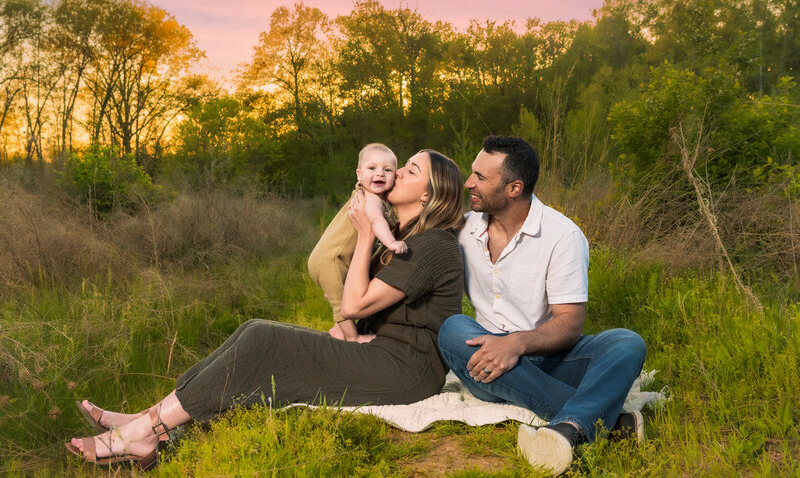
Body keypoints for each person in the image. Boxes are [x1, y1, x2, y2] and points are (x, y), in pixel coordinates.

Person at [66, 149, 466, 470]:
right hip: (382, 353)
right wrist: (355, 332)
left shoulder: (434, 245)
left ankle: (147, 432)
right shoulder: (401, 236)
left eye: (411, 171)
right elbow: (349, 288)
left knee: (264, 340)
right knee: (253, 327)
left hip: (406, 371)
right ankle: (150, 417)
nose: (398, 173)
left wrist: (364, 236)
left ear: (428, 195)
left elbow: (354, 303)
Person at [437, 136, 647, 476]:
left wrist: (516, 344)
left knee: (627, 342)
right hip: (487, 361)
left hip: (551, 356)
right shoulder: (463, 228)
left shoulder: (562, 236)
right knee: (453, 329)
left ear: (514, 188)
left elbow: (569, 324)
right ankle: (598, 421)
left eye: (481, 177)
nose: (469, 183)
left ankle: (571, 427)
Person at [308, 143, 407, 343]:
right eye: (372, 168)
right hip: (330, 260)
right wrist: (392, 242)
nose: (379, 173)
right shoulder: (371, 199)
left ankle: (338, 330)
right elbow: (377, 221)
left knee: (342, 295)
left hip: (332, 257)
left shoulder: (364, 195)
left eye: (387, 170)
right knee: (340, 305)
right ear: (359, 175)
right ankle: (353, 337)